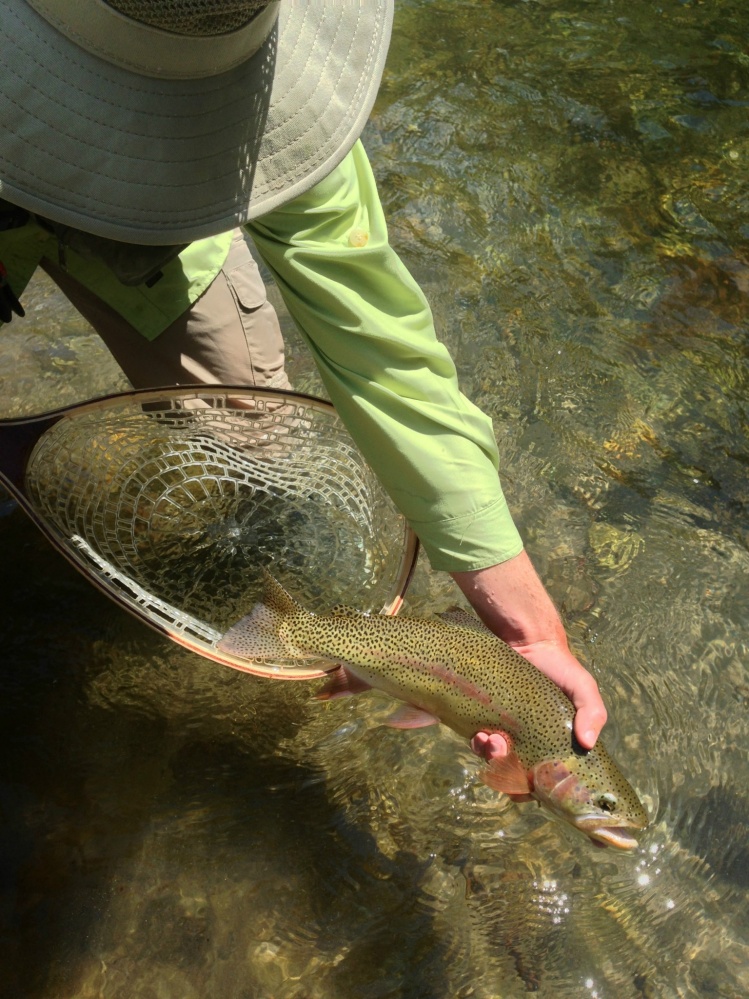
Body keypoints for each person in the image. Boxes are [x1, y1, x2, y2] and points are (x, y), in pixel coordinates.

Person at [0, 0, 607, 761]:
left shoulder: (268, 97)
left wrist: (529, 628)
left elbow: (383, 352)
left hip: (157, 245)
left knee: (252, 428)